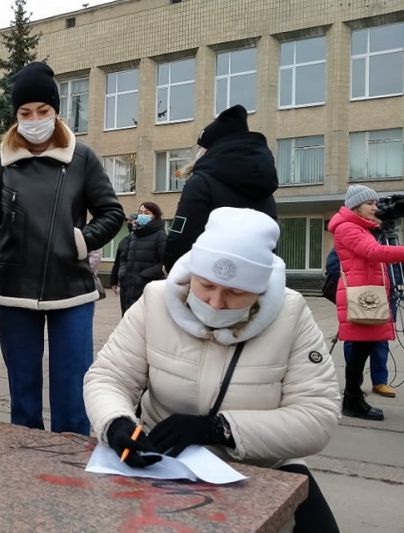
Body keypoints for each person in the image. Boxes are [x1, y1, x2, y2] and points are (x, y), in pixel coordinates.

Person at [84, 207, 341, 533]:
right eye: (205, 286)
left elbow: (317, 416)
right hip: (162, 457)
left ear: (260, 290)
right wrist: (116, 422)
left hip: (261, 463)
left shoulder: (290, 315)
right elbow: (109, 376)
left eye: (235, 293)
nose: (216, 303)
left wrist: (220, 429)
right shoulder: (156, 300)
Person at [0, 62, 124, 434]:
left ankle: (70, 465)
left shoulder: (82, 157)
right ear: (16, 115)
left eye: (43, 111)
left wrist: (81, 239)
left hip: (71, 289)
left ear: (56, 112)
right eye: (25, 112)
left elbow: (112, 212)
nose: (34, 119)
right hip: (13, 291)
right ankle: (25, 463)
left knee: (73, 388)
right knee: (22, 391)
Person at [162, 104, 278, 273]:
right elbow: (271, 237)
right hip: (253, 281)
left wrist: (172, 266)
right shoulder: (264, 185)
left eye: (202, 147)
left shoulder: (201, 182)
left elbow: (183, 234)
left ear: (213, 148)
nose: (199, 153)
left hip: (208, 281)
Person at [328, 184, 404, 420]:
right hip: (361, 296)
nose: (375, 207)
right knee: (360, 349)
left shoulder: (360, 227)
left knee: (365, 347)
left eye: (376, 203)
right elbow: (375, 252)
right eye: (370, 203)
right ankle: (351, 399)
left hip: (368, 295)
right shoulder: (347, 228)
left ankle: (353, 398)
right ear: (356, 206)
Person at [326, 247, 397, 398]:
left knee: (381, 341)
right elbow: (333, 266)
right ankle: (354, 382)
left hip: (382, 296)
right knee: (353, 341)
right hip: (357, 296)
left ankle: (380, 381)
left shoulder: (385, 240)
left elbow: (395, 268)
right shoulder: (353, 237)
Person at [111, 202, 167, 315]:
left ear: (155, 215)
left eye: (147, 213)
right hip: (128, 286)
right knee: (128, 321)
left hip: (147, 286)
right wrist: (123, 274)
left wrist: (144, 275)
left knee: (144, 321)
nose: (142, 215)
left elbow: (164, 263)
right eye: (140, 212)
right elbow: (123, 258)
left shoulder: (161, 236)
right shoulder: (133, 235)